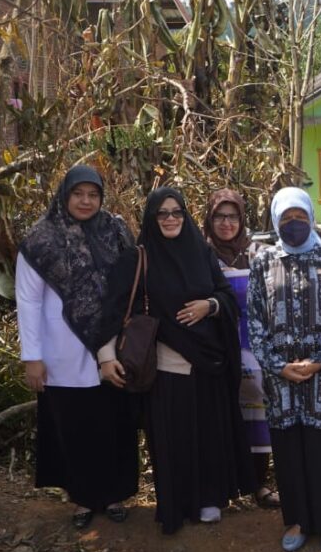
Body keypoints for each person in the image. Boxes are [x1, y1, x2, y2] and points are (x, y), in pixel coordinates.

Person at [100, 187, 253, 534]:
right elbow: (114, 311)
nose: (170, 219)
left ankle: (210, 499)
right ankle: (175, 505)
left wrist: (209, 306)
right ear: (152, 219)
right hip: (166, 367)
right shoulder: (138, 258)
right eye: (163, 213)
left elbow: (224, 295)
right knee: (172, 438)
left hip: (208, 364)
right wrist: (105, 356)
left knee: (209, 434)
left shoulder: (200, 252)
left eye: (177, 212)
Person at [16, 165, 138, 529]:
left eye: (93, 194)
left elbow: (131, 285)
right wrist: (32, 357)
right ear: (65, 194)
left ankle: (114, 494)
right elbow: (27, 301)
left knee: (114, 422)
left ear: (101, 197)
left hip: (113, 347)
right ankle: (82, 498)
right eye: (78, 194)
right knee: (74, 427)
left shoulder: (114, 231)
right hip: (62, 352)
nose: (86, 201)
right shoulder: (41, 240)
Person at [248, 187, 321, 552]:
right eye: (286, 218)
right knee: (290, 452)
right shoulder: (263, 261)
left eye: (300, 217)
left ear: (311, 217)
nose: (294, 224)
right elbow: (256, 320)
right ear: (276, 220)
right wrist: (278, 366)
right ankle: (297, 521)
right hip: (282, 382)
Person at [202, 189, 279, 510]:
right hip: (216, 349)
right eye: (220, 216)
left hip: (256, 347)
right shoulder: (200, 253)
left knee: (257, 416)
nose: (226, 223)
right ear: (209, 218)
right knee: (222, 415)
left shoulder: (259, 252)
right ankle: (224, 487)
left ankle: (258, 484)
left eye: (233, 216)